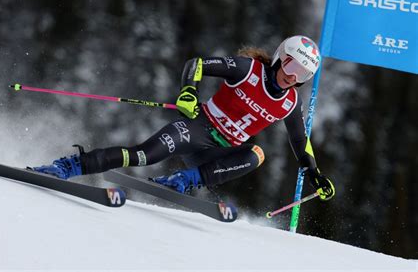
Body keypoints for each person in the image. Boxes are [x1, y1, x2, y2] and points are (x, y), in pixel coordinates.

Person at [32, 35, 335, 201]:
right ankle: (67, 167)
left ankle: (183, 181)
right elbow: (197, 64)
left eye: (303, 75)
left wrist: (314, 174)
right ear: (281, 57)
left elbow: (299, 140)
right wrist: (189, 92)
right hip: (198, 129)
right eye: (291, 67)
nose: (292, 78)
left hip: (219, 153)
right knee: (141, 155)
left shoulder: (289, 102)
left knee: (257, 153)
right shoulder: (247, 69)